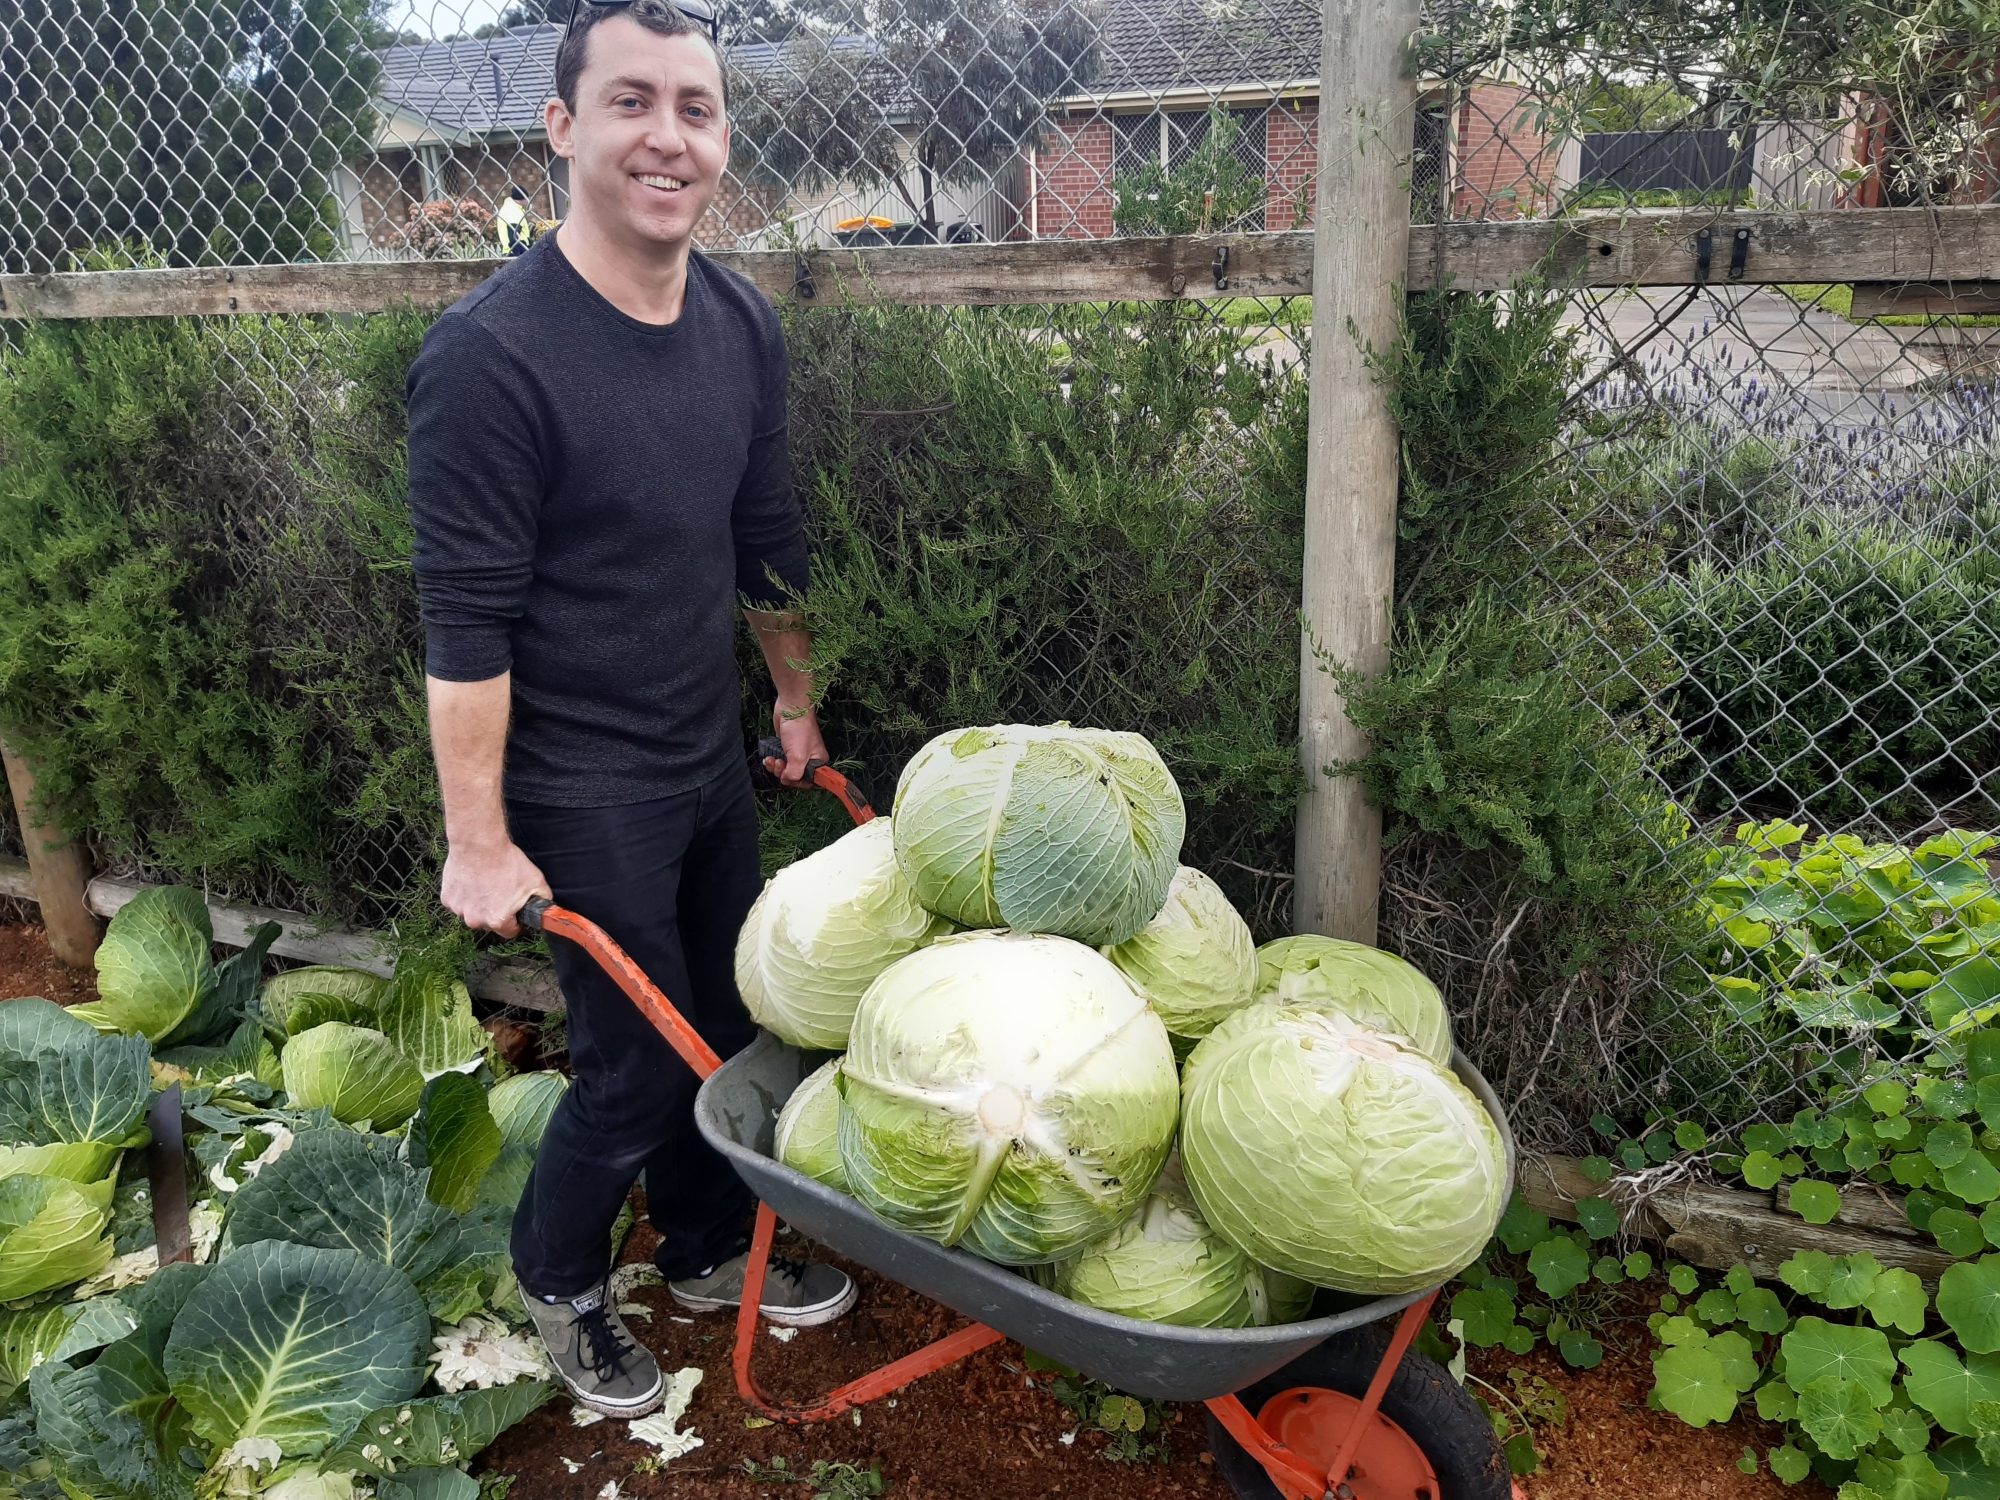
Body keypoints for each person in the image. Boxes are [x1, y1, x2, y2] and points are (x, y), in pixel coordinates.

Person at [404, 0, 856, 1419]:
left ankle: (712, 1243)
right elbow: (466, 626)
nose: (670, 135)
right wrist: (478, 840)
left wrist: (793, 709)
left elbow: (768, 540)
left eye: (698, 107)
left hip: (705, 754)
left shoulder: (734, 322)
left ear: (723, 137)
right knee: (634, 1071)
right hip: (577, 783)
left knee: (727, 1027)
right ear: (562, 129)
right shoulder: (492, 358)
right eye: (631, 102)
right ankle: (560, 1275)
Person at [495, 184, 532, 255]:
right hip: (516, 252)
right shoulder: (513, 211)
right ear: (523, 199)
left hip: (510, 251)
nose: (528, 201)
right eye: (527, 198)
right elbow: (513, 237)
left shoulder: (509, 207)